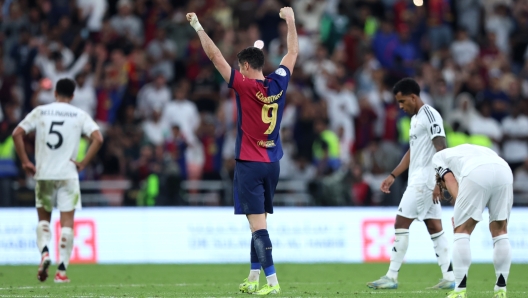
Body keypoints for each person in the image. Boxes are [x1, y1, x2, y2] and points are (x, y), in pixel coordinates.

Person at [187, 6, 298, 295]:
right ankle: (253, 277)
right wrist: (291, 20)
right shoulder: (279, 81)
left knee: (257, 227)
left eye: (239, 66)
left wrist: (199, 26)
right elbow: (293, 53)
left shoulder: (244, 86)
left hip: (249, 162)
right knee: (256, 220)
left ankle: (273, 283)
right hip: (273, 162)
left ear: (246, 66)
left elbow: (214, 56)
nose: (237, 70)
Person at [12, 78, 103, 283]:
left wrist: (26, 161)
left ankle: (45, 253)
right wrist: (84, 162)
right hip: (68, 175)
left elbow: (17, 133)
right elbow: (98, 138)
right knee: (67, 223)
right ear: (72, 96)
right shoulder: (79, 114)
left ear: (55, 93)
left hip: (44, 173)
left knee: (44, 220)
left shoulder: (41, 111)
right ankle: (61, 271)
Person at [367, 78, 455, 290]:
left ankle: (391, 276)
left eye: (402, 101)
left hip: (425, 180)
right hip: (420, 178)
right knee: (434, 227)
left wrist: (439, 182)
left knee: (400, 224)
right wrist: (393, 175)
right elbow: (412, 151)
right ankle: (450, 277)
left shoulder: (430, 115)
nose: (400, 106)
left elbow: (442, 149)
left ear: (414, 97)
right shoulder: (416, 119)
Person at [433, 144, 512, 298]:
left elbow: (449, 179)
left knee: (461, 230)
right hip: (504, 169)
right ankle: (501, 289)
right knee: (500, 230)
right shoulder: (467, 151)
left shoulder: (437, 158)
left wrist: (459, 208)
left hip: (476, 172)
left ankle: (460, 290)